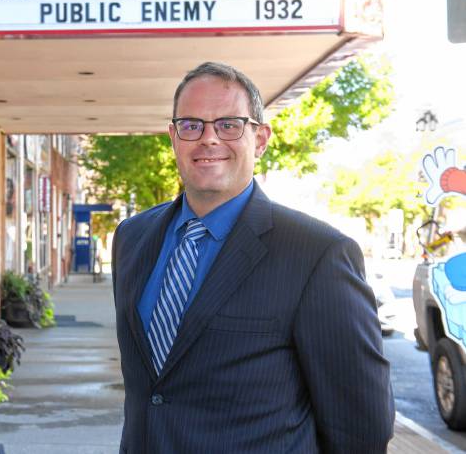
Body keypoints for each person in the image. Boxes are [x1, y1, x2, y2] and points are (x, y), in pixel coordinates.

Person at [112, 62, 394, 453]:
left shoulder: (318, 254)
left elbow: (361, 425)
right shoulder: (132, 238)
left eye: (229, 124)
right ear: (174, 137)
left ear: (260, 139)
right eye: (192, 125)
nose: (208, 139)